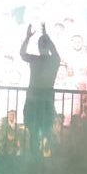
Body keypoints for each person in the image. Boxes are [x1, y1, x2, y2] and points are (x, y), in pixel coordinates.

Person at [20, 22, 60, 155]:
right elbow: (54, 50)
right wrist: (46, 37)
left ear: (38, 47)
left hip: (33, 99)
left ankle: (34, 159)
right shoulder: (54, 60)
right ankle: (53, 159)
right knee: (46, 131)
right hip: (46, 99)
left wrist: (28, 37)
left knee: (34, 132)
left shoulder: (35, 60)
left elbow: (22, 53)